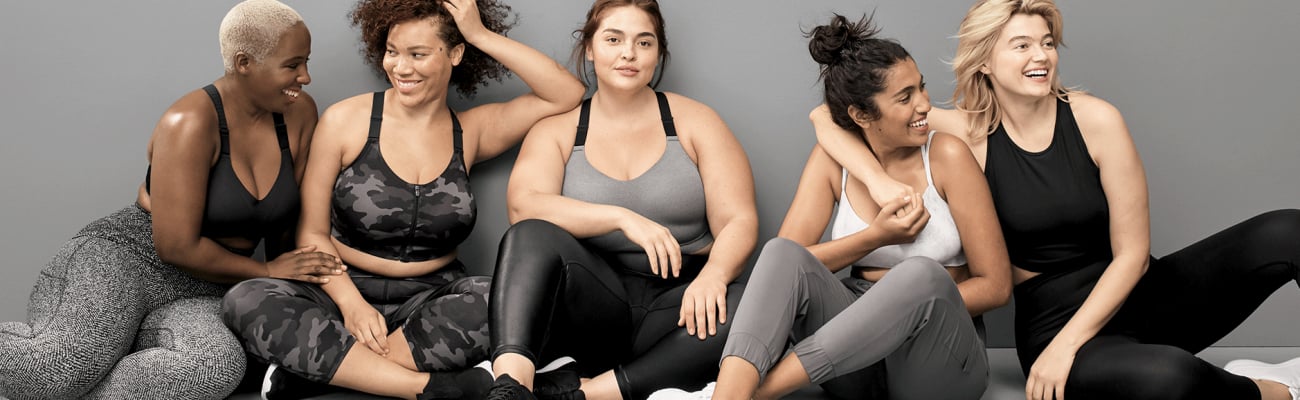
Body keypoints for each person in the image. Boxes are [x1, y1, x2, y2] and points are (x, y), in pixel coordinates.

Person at [812, 1, 1300, 399]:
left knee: (1286, 230)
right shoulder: (967, 131)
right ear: (985, 59)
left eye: (1046, 42)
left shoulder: (1096, 119)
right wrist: (877, 182)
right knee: (1172, 378)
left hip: (1140, 294)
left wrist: (1070, 344)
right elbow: (825, 118)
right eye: (1021, 45)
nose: (1040, 56)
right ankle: (1271, 390)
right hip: (1053, 321)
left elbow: (1131, 255)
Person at [220, 0, 585, 399]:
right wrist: (352, 305)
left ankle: (322, 371)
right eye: (393, 52)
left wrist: (478, 33)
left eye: (418, 54)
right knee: (247, 298)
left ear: (456, 53)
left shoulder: (472, 131)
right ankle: (430, 388)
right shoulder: (346, 120)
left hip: (430, 300)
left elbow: (566, 93)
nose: (401, 67)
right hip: (339, 291)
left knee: (502, 299)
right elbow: (312, 232)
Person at [652, 14, 1011, 400]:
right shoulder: (831, 162)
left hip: (938, 357)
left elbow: (996, 286)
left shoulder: (947, 156)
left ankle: (740, 394)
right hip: (856, 360)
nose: (924, 103)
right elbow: (783, 270)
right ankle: (731, 393)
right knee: (780, 252)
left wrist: (897, 310)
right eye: (905, 97)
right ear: (860, 115)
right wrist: (874, 238)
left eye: (920, 88)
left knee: (919, 275)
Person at [0, 1, 336, 399]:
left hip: (210, 287)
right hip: (128, 260)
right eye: (293, 64)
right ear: (244, 62)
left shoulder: (298, 114)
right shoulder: (190, 121)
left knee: (213, 368)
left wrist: (290, 283)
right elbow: (174, 245)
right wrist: (267, 269)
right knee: (57, 369)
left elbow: (286, 226)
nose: (306, 77)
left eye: (306, 62)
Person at [484, 1, 759, 399]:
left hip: (680, 313)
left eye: (643, 42)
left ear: (658, 54)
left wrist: (714, 276)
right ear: (591, 48)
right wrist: (620, 217)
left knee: (760, 297)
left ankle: (586, 394)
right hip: (592, 311)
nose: (628, 53)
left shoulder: (696, 121)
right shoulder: (557, 130)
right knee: (530, 233)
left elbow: (739, 220)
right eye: (613, 39)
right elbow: (524, 206)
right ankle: (510, 388)